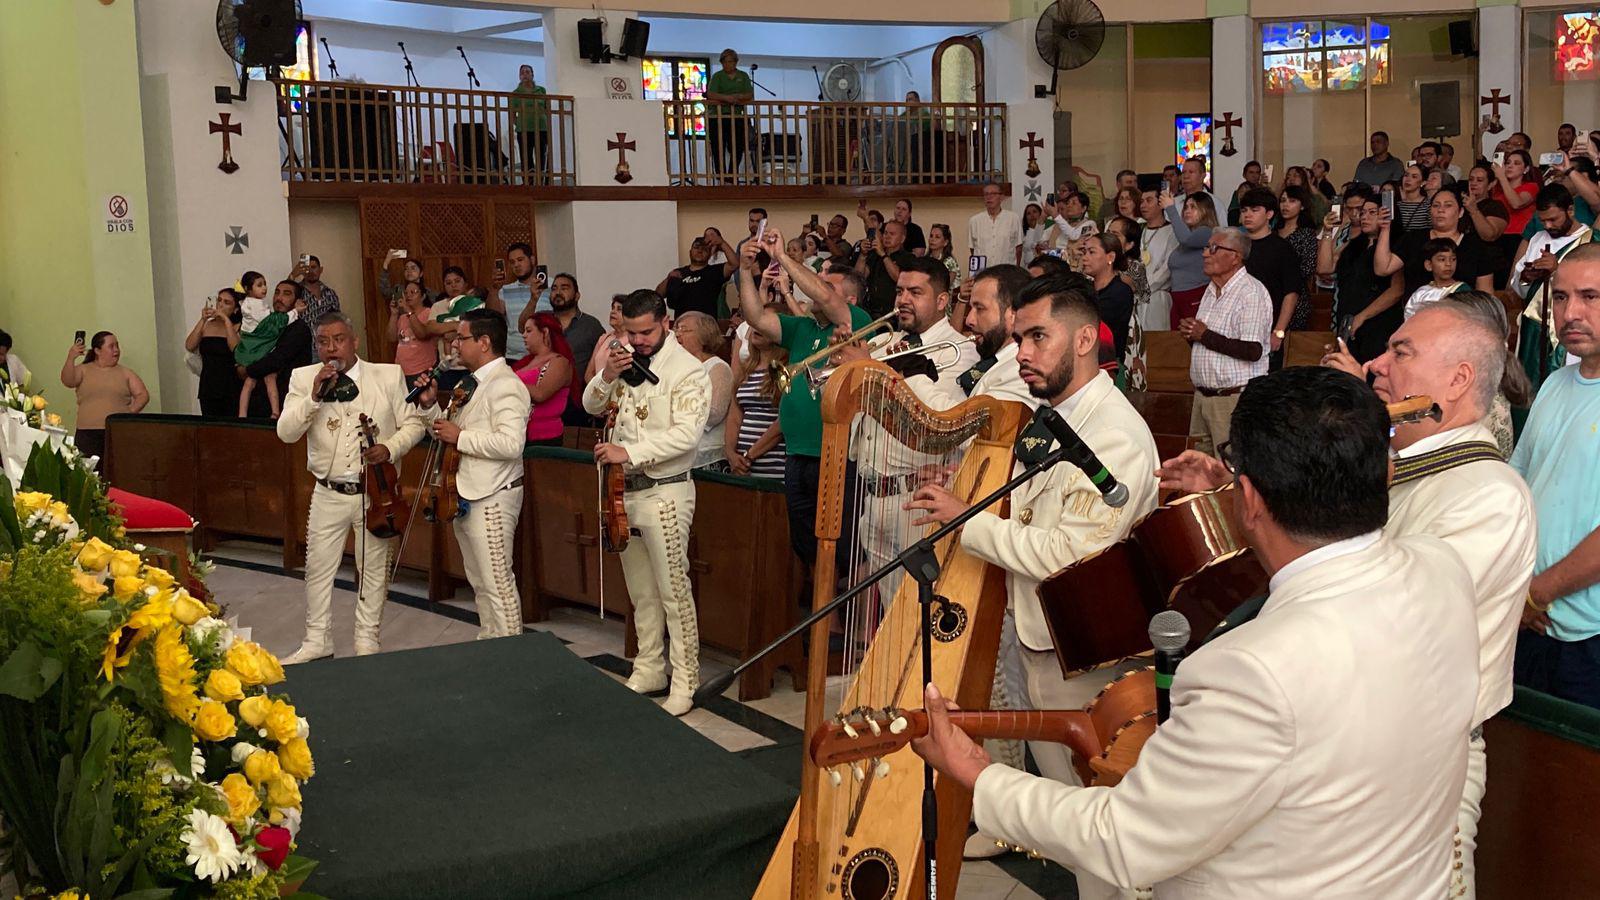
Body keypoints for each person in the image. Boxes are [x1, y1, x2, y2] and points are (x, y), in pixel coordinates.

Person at [929, 367, 1479, 898]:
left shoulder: (1248, 671)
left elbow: (1125, 839)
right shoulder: (1443, 570)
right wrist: (1233, 489)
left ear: (1251, 499)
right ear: (1382, 473)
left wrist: (978, 774)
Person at [1171, 297, 1536, 898]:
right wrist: (1245, 494)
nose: (1374, 366)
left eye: (1400, 352)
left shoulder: (1488, 495)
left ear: (1458, 380)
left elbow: (1380, 622)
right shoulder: (1396, 467)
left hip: (1419, 761)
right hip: (1340, 737)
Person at [904, 273, 1158, 885]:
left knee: (1096, 812)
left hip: (1086, 652)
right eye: (1019, 338)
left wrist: (966, 523)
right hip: (1045, 638)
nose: (1021, 353)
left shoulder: (1113, 435)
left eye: (1038, 337)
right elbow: (1032, 510)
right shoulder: (1057, 414)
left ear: (1084, 341)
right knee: (1069, 811)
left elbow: (1067, 555)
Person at [582, 290, 711, 716]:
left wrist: (629, 452)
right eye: (631, 333)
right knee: (640, 589)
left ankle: (686, 678)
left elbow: (686, 435)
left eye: (646, 333)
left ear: (666, 323)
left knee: (673, 589)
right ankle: (650, 666)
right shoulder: (622, 360)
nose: (637, 341)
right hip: (624, 490)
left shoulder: (687, 370)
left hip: (666, 489)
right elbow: (590, 404)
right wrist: (606, 375)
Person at [275, 313, 429, 662]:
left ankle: (367, 640)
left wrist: (389, 448)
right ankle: (317, 640)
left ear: (354, 341)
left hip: (375, 494)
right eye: (323, 342)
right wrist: (313, 398)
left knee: (373, 568)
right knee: (318, 567)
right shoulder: (303, 378)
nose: (331, 348)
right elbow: (286, 433)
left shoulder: (386, 375)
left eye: (339, 339)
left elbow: (414, 425)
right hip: (328, 490)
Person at [737, 226, 867, 569]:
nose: (815, 285)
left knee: (842, 549)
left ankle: (841, 603)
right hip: (797, 455)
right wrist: (745, 271)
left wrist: (782, 256)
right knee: (805, 545)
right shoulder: (804, 327)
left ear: (850, 300)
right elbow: (755, 316)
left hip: (837, 456)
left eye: (827, 282)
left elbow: (825, 298)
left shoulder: (856, 321)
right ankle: (822, 602)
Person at [1515, 244, 1600, 710]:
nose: (1570, 313)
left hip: (1589, 633)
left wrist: (1537, 593)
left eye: (1590, 297)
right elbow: (1519, 482)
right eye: (1562, 297)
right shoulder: (1554, 383)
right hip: (1532, 618)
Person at [419, 309, 531, 640]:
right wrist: (429, 406)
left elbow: (511, 444)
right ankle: (490, 643)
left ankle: (511, 653)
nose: (455, 345)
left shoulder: (506, 385)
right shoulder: (470, 383)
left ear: (484, 342)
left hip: (493, 494)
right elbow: (448, 432)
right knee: (480, 581)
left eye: (461, 338)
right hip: (464, 492)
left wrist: (461, 437)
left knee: (497, 582)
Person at [1180, 227, 1271, 454]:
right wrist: (1192, 334)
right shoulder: (1211, 290)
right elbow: (1208, 344)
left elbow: (1252, 350)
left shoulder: (1251, 292)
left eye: (1213, 248)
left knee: (1229, 468)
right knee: (1199, 468)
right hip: (1203, 397)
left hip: (1232, 400)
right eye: (1206, 248)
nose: (1205, 254)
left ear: (1235, 257)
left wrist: (1204, 335)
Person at [1512, 183, 1594, 390]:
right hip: (1534, 326)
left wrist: (1557, 270)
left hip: (1572, 324)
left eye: (1553, 219)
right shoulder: (1537, 239)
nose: (1548, 226)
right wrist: (1527, 277)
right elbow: (1519, 287)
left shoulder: (1591, 241)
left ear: (1570, 210)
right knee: (1529, 387)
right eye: (1543, 221)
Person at [1318, 188, 1405, 362]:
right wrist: (1327, 231)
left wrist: (1362, 316)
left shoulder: (1397, 243)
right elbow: (1324, 268)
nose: (1364, 217)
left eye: (1372, 212)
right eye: (1363, 213)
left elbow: (1396, 290)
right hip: (1348, 321)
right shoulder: (1354, 244)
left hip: (1378, 324)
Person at [1377, 185, 1497, 303]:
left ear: (1460, 212)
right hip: (1417, 311)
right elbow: (1383, 269)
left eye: (1448, 205)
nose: (1440, 210)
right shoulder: (1413, 238)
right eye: (1436, 205)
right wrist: (1385, 229)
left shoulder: (1475, 246)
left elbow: (1485, 296)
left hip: (1460, 312)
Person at [1237, 188, 1305, 360]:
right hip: (1238, 326)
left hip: (1269, 326)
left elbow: (1291, 293)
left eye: (1254, 210)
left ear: (1269, 214)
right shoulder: (1236, 246)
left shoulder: (1282, 248)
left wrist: (1279, 331)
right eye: (1244, 210)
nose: (1248, 215)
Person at [60, 331, 148, 460]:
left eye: (117, 346)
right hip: (87, 433)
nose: (116, 350)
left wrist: (129, 413)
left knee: (117, 468)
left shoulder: (125, 373)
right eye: (111, 346)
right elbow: (67, 381)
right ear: (97, 350)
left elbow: (142, 394)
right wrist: (71, 358)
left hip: (118, 431)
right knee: (89, 469)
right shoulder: (83, 370)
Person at [957, 264, 1033, 403]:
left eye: (980, 308)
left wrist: (917, 378)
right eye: (970, 308)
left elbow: (975, 414)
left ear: (1013, 315)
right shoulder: (997, 358)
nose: (969, 320)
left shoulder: (1022, 371)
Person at [240, 280, 315, 418]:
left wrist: (247, 370)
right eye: (277, 293)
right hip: (259, 400)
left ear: (297, 301)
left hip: (286, 402)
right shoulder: (268, 324)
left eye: (286, 294)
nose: (279, 298)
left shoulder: (299, 329)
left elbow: (276, 359)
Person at [673, 311, 734, 469]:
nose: (677, 334)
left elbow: (714, 412)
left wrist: (672, 407)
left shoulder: (718, 368)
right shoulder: (675, 368)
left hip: (706, 456)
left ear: (704, 335)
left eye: (684, 329)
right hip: (677, 453)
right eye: (676, 329)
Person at [725, 325, 786, 479]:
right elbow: (734, 417)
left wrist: (750, 455)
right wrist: (731, 453)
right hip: (741, 468)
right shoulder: (746, 370)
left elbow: (784, 420)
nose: (756, 328)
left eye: (763, 325)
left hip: (774, 467)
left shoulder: (785, 370)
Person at [510, 312, 573, 447]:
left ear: (545, 332)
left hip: (544, 438)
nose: (524, 335)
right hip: (517, 433)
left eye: (529, 331)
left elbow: (540, 394)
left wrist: (509, 381)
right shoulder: (526, 362)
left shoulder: (559, 362)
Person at [233, 271, 287, 418]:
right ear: (248, 289)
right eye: (259, 285)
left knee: (250, 383)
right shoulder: (254, 305)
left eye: (264, 284)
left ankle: (242, 414)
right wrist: (293, 314)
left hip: (255, 350)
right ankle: (275, 412)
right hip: (258, 350)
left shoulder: (247, 304)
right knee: (268, 379)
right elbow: (270, 322)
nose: (264, 288)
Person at [1163, 189, 1218, 328]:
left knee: (1192, 336)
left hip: (1195, 294)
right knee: (1175, 339)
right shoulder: (1186, 236)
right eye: (1186, 207)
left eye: (1193, 207)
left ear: (1205, 210)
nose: (1187, 211)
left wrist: (1170, 208)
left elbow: (1186, 240)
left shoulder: (1207, 231)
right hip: (1178, 297)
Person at [186, 289, 243, 416]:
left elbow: (235, 349)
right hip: (208, 386)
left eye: (227, 302)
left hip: (230, 386)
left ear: (235, 309)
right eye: (219, 300)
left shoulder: (238, 327)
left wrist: (226, 320)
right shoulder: (207, 325)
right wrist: (203, 319)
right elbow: (189, 345)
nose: (220, 305)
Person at [1080, 232, 1134, 366]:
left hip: (1108, 363)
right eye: (1084, 252)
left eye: (1091, 252)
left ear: (1110, 257)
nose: (1084, 258)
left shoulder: (1120, 291)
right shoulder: (1085, 289)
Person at [660, 234, 738, 318]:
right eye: (696, 247)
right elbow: (659, 294)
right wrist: (668, 279)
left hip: (706, 323)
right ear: (690, 252)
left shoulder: (715, 271)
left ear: (709, 254)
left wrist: (722, 243)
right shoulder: (678, 273)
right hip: (682, 323)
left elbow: (734, 264)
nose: (700, 251)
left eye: (704, 249)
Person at [704, 48, 753, 179]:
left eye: (730, 61)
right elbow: (710, 94)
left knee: (738, 147)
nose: (727, 64)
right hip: (718, 116)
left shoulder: (743, 76)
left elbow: (749, 94)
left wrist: (739, 96)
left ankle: (732, 175)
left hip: (736, 116)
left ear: (735, 62)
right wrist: (726, 98)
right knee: (718, 147)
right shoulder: (718, 76)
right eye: (725, 62)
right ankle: (720, 175)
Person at [855, 218, 917, 318]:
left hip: (892, 313)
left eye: (892, 234)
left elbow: (899, 278)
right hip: (870, 310)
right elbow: (859, 277)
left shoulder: (908, 258)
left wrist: (883, 255)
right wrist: (863, 255)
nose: (887, 237)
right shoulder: (875, 255)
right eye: (885, 233)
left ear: (902, 239)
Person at [546, 273, 604, 377]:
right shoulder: (543, 320)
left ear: (577, 296)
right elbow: (522, 328)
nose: (558, 292)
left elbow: (602, 361)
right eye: (554, 289)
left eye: (564, 288)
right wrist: (533, 299)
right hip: (545, 384)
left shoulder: (591, 325)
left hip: (580, 385)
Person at [1137, 186, 1177, 333]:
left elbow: (1167, 267)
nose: (1143, 205)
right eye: (1141, 201)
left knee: (1158, 339)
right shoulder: (1139, 230)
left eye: (1149, 200)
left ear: (1160, 204)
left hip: (1158, 295)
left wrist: (1145, 287)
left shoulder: (1172, 231)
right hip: (1137, 294)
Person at [493, 242, 545, 356]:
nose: (516, 265)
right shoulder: (505, 290)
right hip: (513, 355)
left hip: (544, 354)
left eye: (520, 260)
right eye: (512, 262)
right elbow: (494, 317)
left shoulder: (550, 287)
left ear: (532, 260)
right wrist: (495, 288)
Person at [1492, 149, 1540, 264]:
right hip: (1498, 236)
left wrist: (1502, 178)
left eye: (1516, 163)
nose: (1510, 166)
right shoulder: (1497, 189)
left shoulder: (1531, 186)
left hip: (1518, 237)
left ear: (1526, 169)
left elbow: (1516, 203)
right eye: (1507, 163)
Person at [388, 281, 438, 389]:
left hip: (422, 371)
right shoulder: (402, 317)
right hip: (401, 371)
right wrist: (394, 314)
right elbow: (392, 338)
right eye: (406, 293)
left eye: (413, 292)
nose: (408, 296)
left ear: (423, 296)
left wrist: (408, 310)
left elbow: (421, 334)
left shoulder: (429, 313)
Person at [1403, 239, 1469, 319]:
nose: (1448, 264)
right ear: (1429, 265)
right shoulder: (1421, 292)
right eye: (1442, 259)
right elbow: (1409, 317)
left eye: (1453, 259)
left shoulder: (1463, 291)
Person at [1277, 185, 1319, 301]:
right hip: (1272, 292)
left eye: (1292, 201)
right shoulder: (1274, 231)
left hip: (1296, 294)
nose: (1285, 205)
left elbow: (1308, 267)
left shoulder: (1307, 233)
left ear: (1302, 206)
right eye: (1283, 200)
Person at [510, 64, 550, 181]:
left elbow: (547, 108)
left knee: (541, 155)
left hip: (541, 128)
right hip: (524, 129)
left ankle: (542, 181)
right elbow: (512, 114)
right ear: (519, 76)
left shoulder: (541, 90)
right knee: (526, 157)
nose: (525, 75)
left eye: (527, 72)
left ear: (532, 74)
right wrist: (519, 124)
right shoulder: (515, 93)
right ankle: (529, 182)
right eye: (522, 73)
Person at [969, 181, 1023, 268]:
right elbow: (973, 248)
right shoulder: (975, 220)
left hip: (1006, 269)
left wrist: (1016, 269)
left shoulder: (1013, 218)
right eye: (986, 194)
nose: (989, 197)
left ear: (1001, 197)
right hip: (983, 270)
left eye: (993, 194)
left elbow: (1018, 247)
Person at [290, 254, 340, 328]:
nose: (310, 271)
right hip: (304, 335)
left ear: (321, 270)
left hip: (326, 334)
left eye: (313, 267)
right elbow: (285, 296)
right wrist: (293, 275)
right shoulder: (297, 292)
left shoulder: (330, 293)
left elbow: (337, 319)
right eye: (307, 268)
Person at [585, 295, 626, 384]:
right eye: (613, 308)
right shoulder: (604, 338)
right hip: (597, 389)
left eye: (619, 309)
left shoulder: (633, 340)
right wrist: (597, 388)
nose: (613, 312)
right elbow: (589, 373)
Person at [1394, 162, 1433, 232]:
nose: (1408, 179)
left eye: (1414, 177)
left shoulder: (1428, 205)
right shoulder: (1396, 204)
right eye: (1406, 175)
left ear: (1423, 182)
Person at [1225, 160, 1264, 227]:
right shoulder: (1239, 191)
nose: (1254, 176)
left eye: (1257, 173)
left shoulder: (1263, 191)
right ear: (1244, 175)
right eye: (1251, 172)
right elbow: (1232, 217)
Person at [926, 222, 961, 291]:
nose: (932, 239)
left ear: (945, 242)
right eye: (931, 236)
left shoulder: (949, 262)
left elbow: (945, 285)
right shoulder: (926, 259)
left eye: (937, 237)